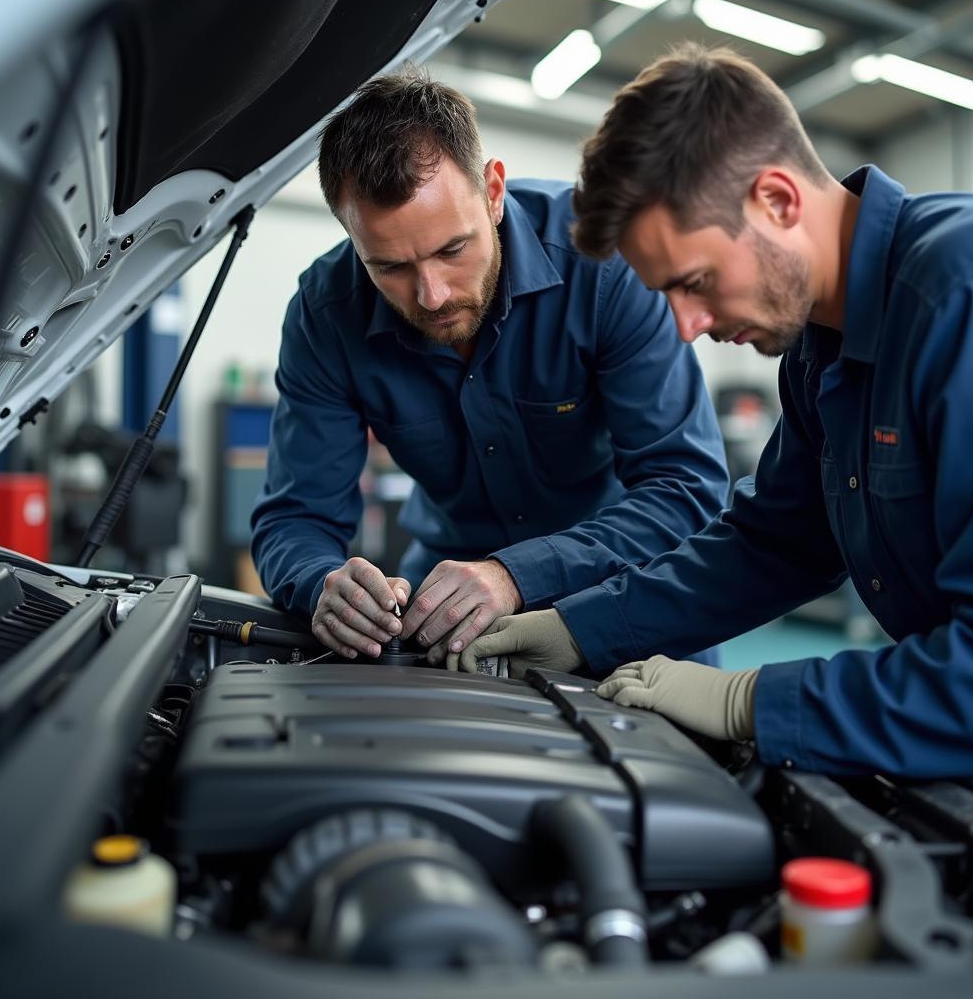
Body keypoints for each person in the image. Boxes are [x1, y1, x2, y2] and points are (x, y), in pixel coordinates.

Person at [457, 44, 973, 779]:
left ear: (777, 200)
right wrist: (575, 629)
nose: (686, 327)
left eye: (696, 282)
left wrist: (755, 699)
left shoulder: (968, 293)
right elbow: (773, 545)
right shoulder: (819, 352)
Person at [250, 71, 729, 666]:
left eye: (452, 250)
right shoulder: (325, 315)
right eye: (390, 267)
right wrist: (321, 581)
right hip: (441, 610)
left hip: (626, 587)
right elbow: (296, 516)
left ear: (493, 190)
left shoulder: (606, 266)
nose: (431, 295)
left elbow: (686, 493)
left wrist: (514, 574)